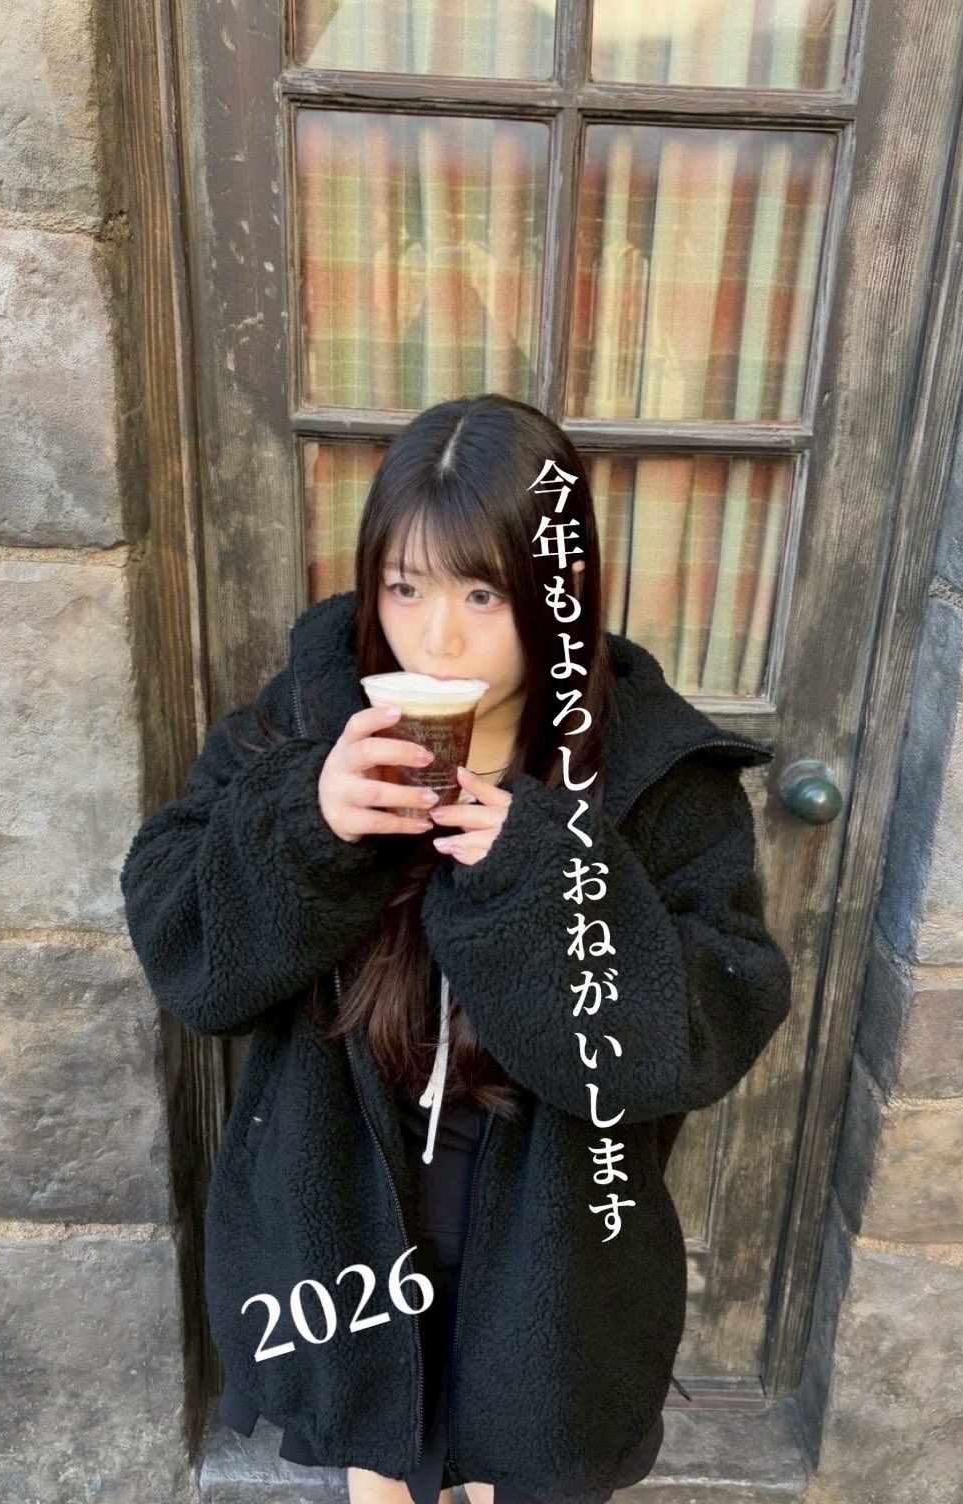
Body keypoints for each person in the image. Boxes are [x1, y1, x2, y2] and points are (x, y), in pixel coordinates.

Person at [119, 392, 792, 1504]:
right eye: (404, 587)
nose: (435, 637)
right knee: (378, 1472)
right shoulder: (306, 721)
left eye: (483, 592)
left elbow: (695, 1032)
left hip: (548, 1242)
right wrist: (304, 822)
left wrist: (541, 874)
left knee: (507, 1476)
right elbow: (186, 955)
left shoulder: (654, 773)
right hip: (348, 1207)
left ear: (556, 590)